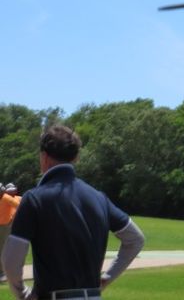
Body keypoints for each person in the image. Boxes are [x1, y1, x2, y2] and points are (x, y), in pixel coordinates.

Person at [1, 125, 145, 300]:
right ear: (75, 157)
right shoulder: (99, 198)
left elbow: (11, 260)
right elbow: (135, 239)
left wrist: (22, 294)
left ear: (44, 157)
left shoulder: (34, 199)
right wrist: (107, 277)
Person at [0, 183, 22, 284]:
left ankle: (2, 272)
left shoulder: (6, 198)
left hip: (5, 226)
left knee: (3, 249)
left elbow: (19, 205)